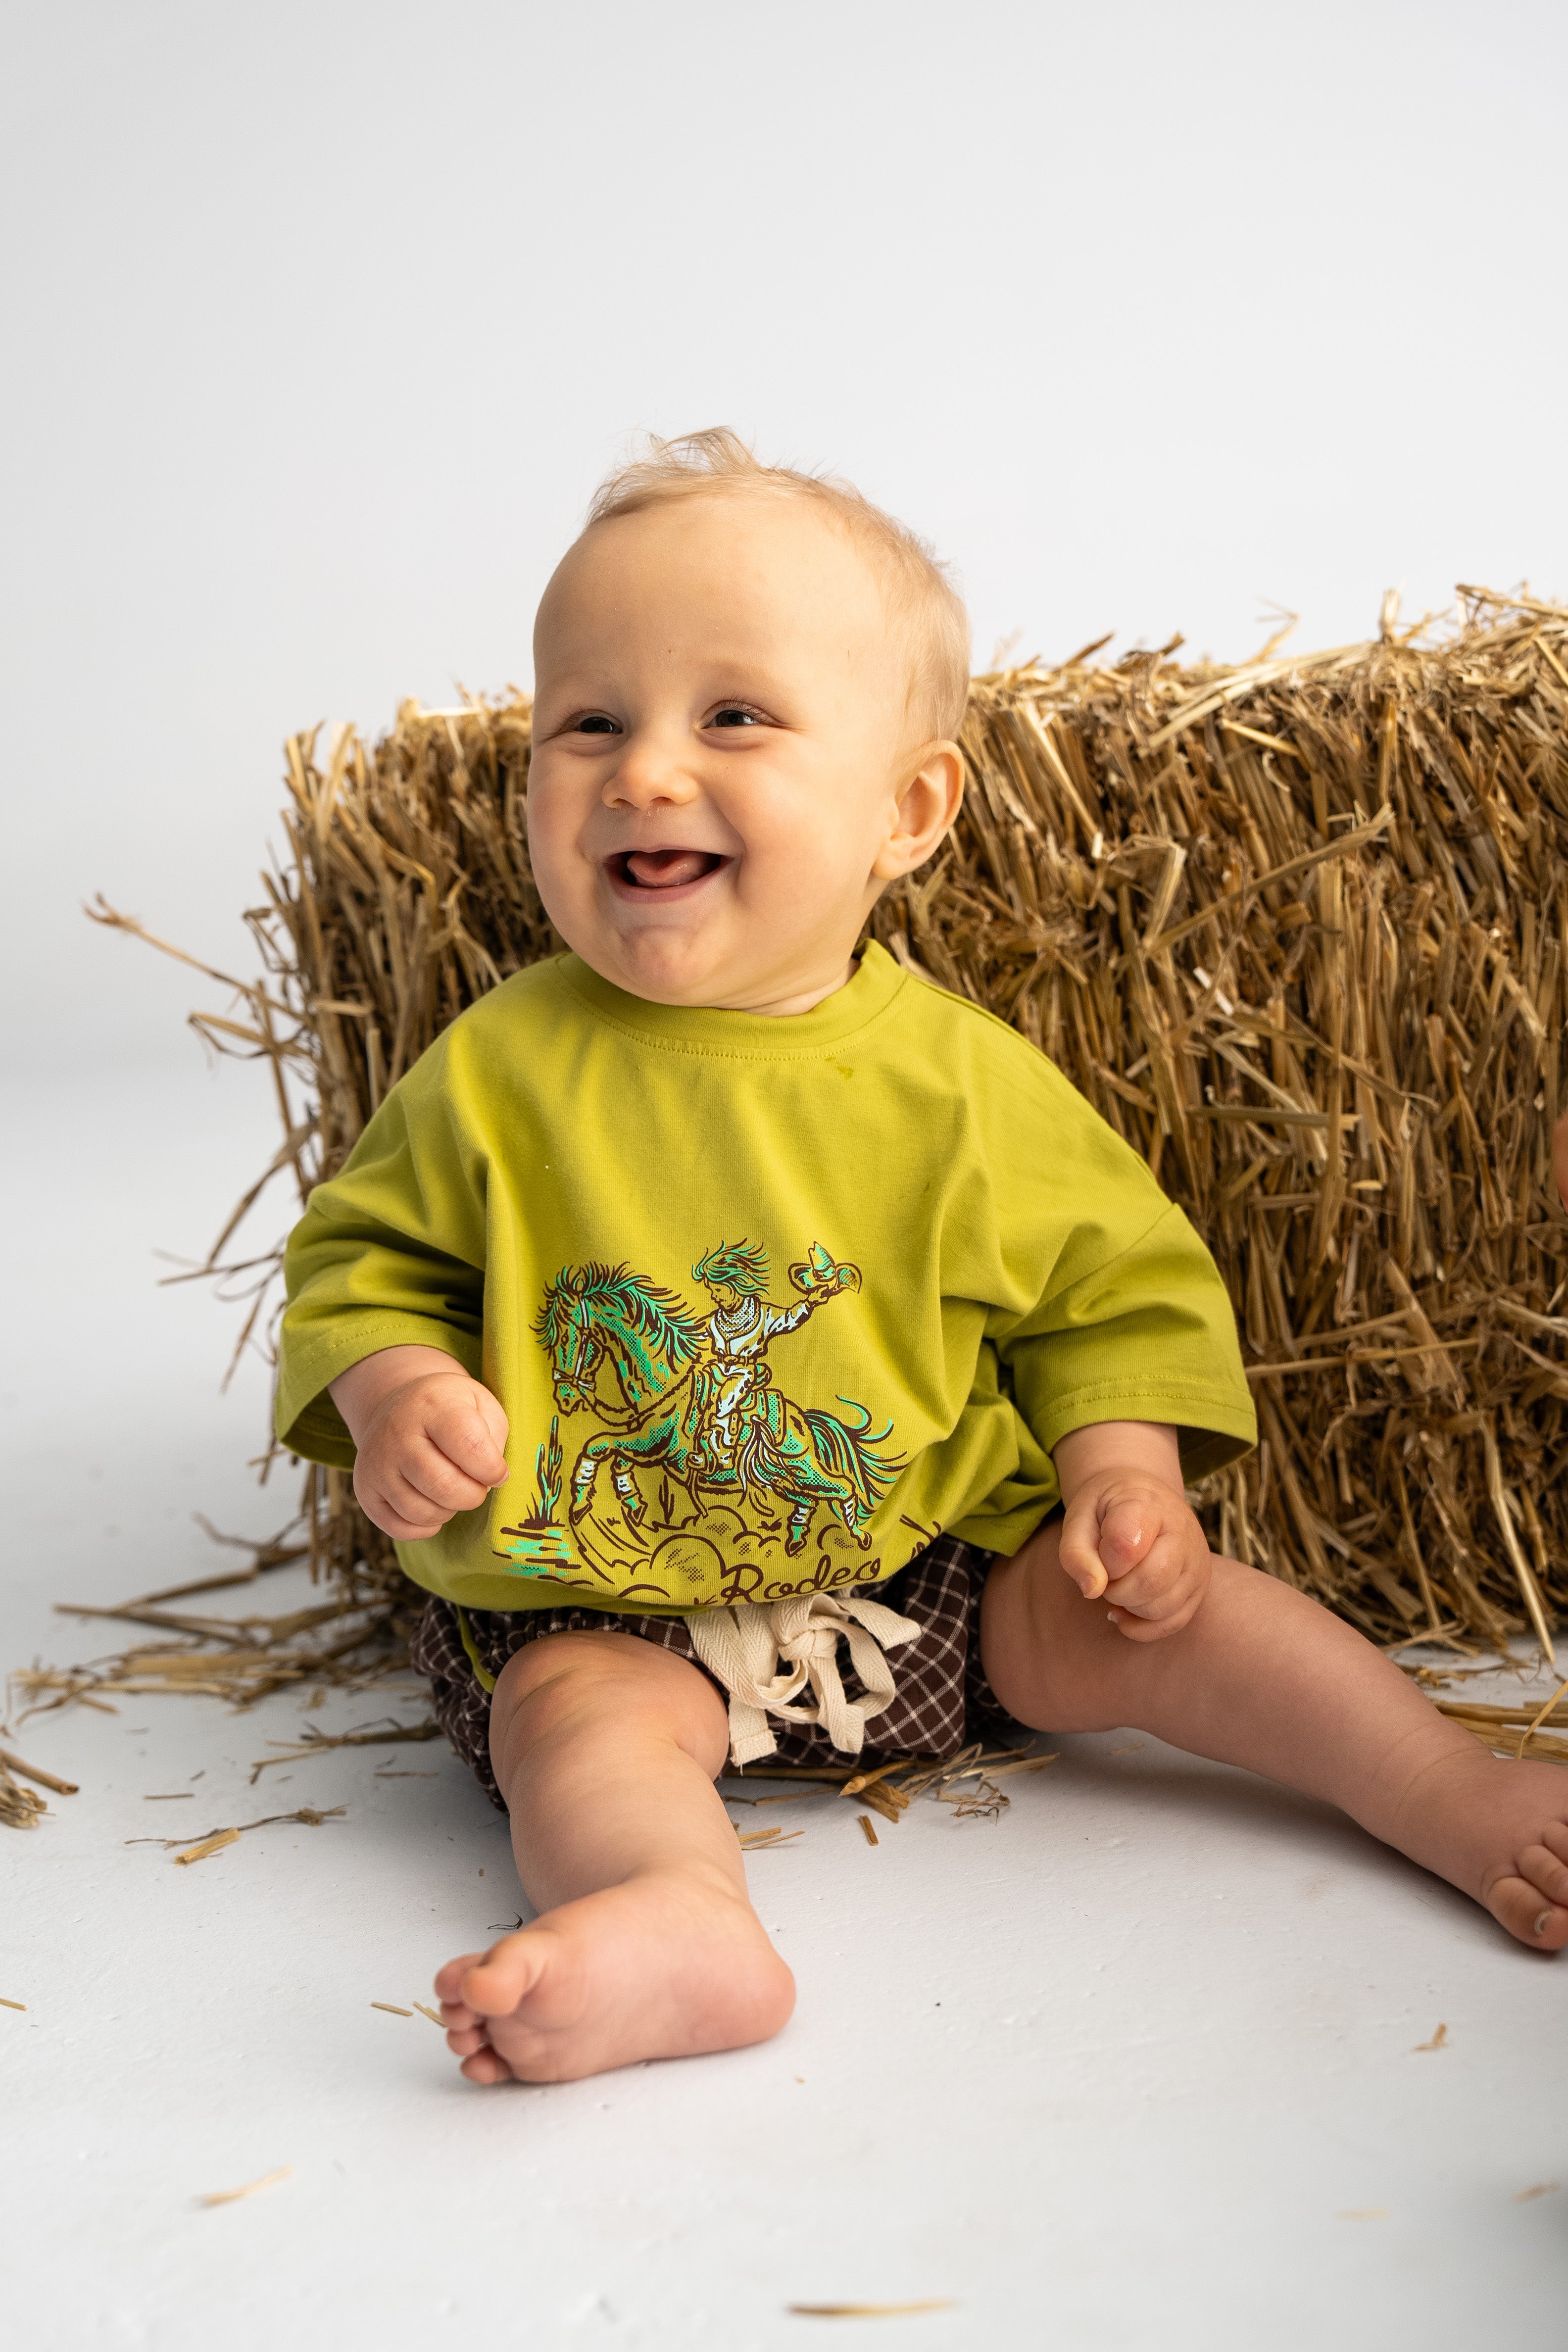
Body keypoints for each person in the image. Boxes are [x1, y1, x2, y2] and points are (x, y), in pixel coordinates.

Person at [277, 431, 1568, 2087]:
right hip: (597, 1591)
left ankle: (1439, 1788)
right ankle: (680, 1915)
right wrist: (399, 1390)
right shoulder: (500, 1069)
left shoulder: (965, 1088)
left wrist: (1123, 1473)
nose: (645, 770)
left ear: (910, 808)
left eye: (731, 716)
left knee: (1177, 1625)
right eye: (587, 722)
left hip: (930, 1587)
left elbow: (1115, 1293)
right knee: (576, 1735)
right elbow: (356, 1267)